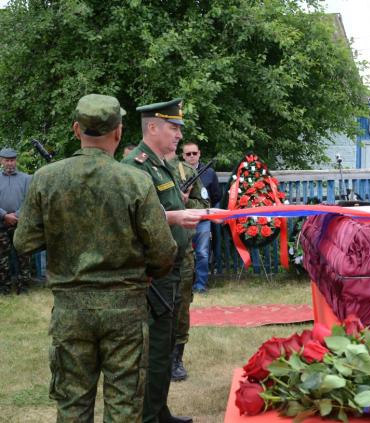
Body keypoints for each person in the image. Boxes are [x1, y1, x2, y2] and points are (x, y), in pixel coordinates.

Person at [13, 94, 178, 422]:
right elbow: (164, 252)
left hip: (71, 310)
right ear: (118, 132)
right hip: (125, 312)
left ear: (76, 129)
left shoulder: (47, 178)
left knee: (72, 406)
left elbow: (24, 242)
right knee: (123, 407)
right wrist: (145, 272)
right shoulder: (135, 181)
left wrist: (65, 230)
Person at [122, 98, 208, 423]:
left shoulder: (164, 165)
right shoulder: (136, 166)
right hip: (152, 275)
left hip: (171, 270)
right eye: (173, 127)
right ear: (153, 127)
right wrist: (173, 217)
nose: (178, 135)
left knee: (166, 345)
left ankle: (159, 411)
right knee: (154, 350)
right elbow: (133, 213)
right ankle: (148, 416)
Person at [165, 150, 208, 382]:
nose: (174, 136)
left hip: (183, 248)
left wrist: (186, 201)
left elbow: (204, 203)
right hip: (154, 248)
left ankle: (176, 359)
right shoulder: (145, 170)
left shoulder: (187, 171)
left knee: (181, 304)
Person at [182, 141, 221, 292]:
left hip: (204, 218)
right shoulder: (177, 171)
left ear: (199, 154)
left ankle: (200, 285)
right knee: (184, 252)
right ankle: (186, 284)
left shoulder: (209, 172)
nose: (191, 156)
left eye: (194, 153)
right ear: (183, 156)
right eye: (188, 154)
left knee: (203, 252)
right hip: (184, 218)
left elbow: (216, 195)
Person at [0, 147, 32, 295]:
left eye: (12, 160)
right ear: (1, 161)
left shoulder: (26, 178)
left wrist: (16, 216)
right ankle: (4, 287)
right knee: (2, 258)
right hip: (1, 224)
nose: (10, 163)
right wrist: (4, 215)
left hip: (21, 224)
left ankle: (24, 287)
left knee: (24, 257)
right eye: (7, 160)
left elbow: (30, 201)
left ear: (16, 161)